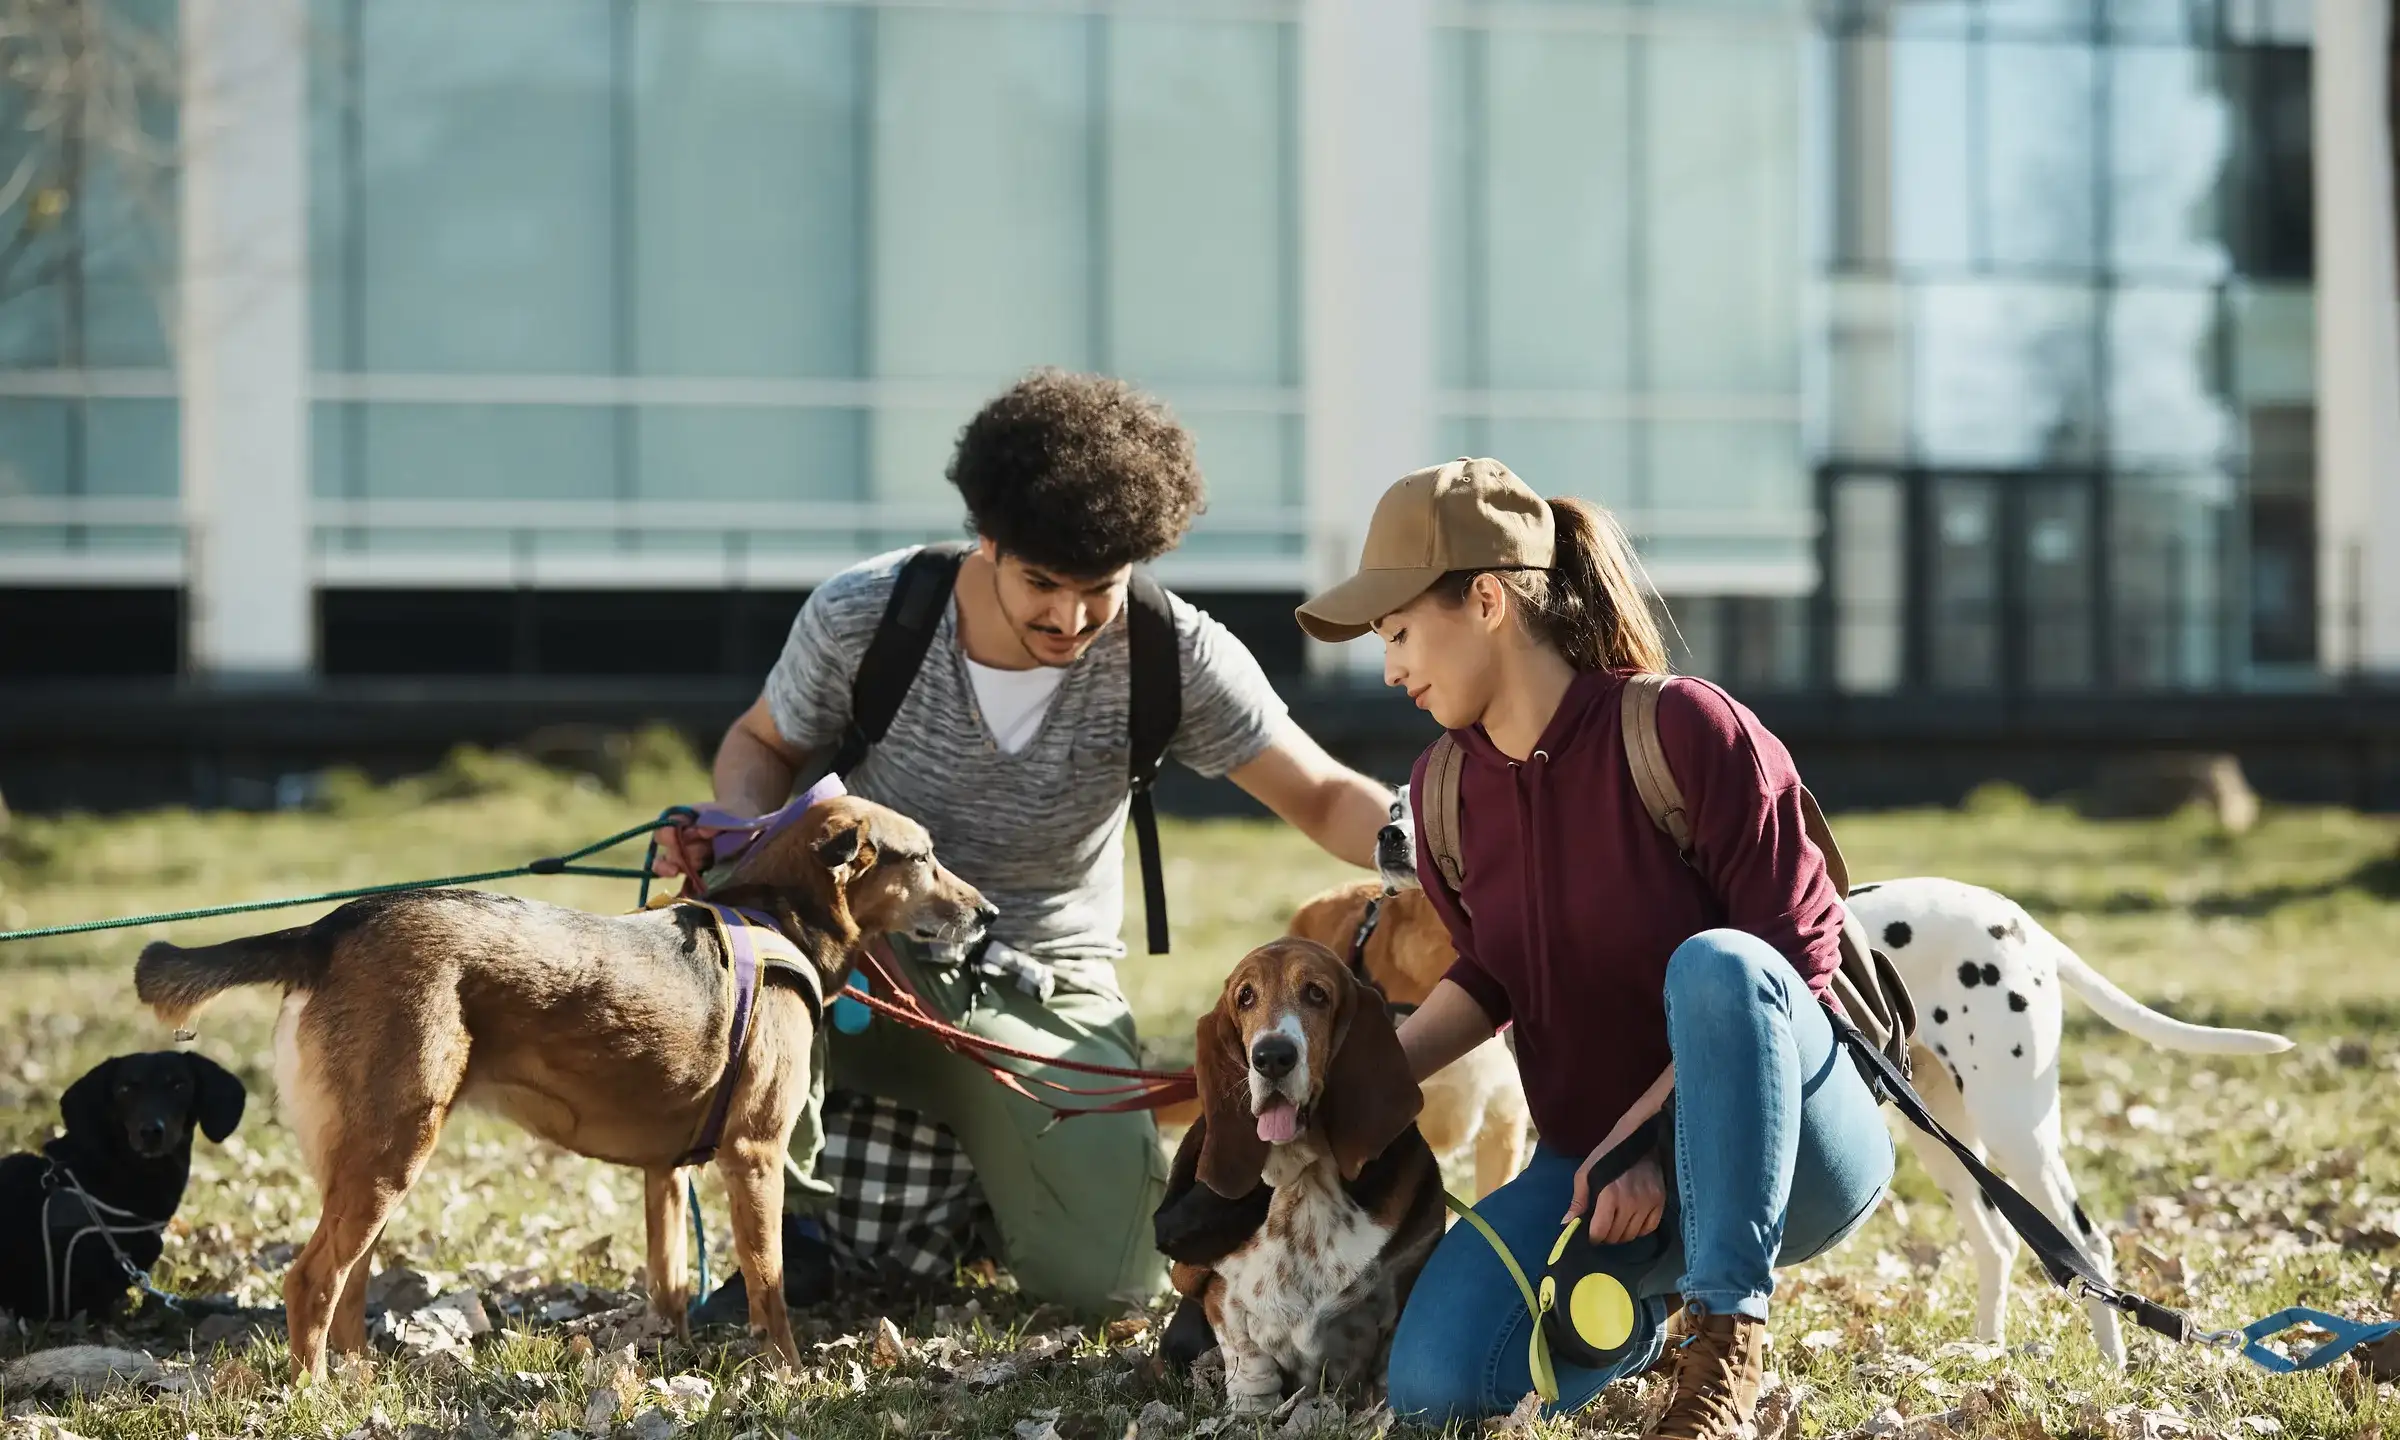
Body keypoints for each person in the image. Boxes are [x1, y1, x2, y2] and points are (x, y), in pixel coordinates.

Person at [657, 370, 1402, 1316]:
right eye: (1040, 583)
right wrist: (752, 834)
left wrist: (1430, 843)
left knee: (1106, 1280)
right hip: (867, 961)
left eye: (1099, 590)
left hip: (1046, 978)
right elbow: (759, 744)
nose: (1068, 618)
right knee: (767, 983)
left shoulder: (1172, 653)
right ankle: (797, 1234)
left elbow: (1325, 791)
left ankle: (965, 1186)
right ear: (988, 539)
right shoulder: (869, 615)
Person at [1293, 458, 1894, 1440]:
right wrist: (1356, 1079)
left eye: (1399, 632)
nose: (1391, 667)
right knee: (1440, 1389)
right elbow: (1493, 970)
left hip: (1795, 1148)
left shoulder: (1687, 730)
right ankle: (1647, 1314)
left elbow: (1790, 964)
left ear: (1486, 598)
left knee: (1722, 964)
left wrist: (1654, 1145)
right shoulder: (1446, 786)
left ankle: (1725, 1345)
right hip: (1592, 1174)